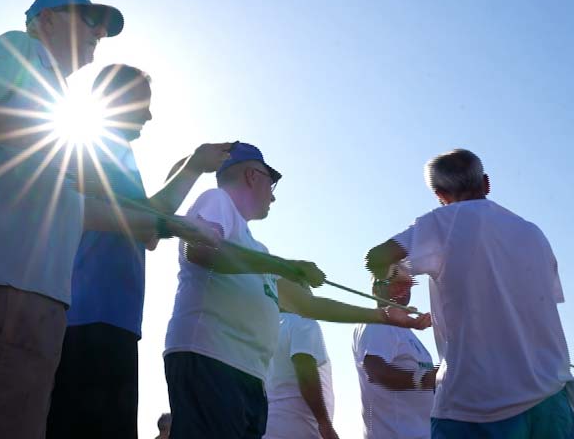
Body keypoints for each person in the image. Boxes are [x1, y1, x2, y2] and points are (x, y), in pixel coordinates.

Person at [0, 0, 220, 439]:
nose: (99, 30)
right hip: (5, 289)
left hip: (37, 298)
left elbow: (81, 210)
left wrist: (173, 217)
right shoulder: (21, 51)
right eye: (87, 18)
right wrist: (174, 209)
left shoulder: (57, 105)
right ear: (46, 20)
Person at [164, 142, 429, 439]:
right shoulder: (217, 200)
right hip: (211, 359)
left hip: (246, 375)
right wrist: (284, 265)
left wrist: (384, 316)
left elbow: (308, 306)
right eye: (271, 181)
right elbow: (199, 250)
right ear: (253, 175)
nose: (273, 196)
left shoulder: (256, 249)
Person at [47, 64, 232, 439]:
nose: (149, 114)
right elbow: (134, 220)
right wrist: (185, 184)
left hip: (116, 320)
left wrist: (193, 166)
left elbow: (146, 227)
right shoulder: (95, 147)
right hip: (86, 317)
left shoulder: (120, 156)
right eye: (142, 103)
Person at [365, 149, 574, 439]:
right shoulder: (534, 233)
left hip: (476, 407)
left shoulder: (443, 222)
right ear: (486, 184)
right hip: (552, 399)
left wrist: (398, 279)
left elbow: (376, 258)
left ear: (439, 195)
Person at [352, 265, 434, 439]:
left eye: (407, 283)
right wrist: (426, 378)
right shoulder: (377, 323)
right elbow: (376, 371)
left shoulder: (405, 330)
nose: (402, 288)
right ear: (376, 289)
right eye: (394, 283)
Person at [265, 284, 337, 439]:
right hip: (300, 426)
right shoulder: (303, 324)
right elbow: (305, 372)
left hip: (269, 425)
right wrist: (324, 424)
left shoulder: (268, 330)